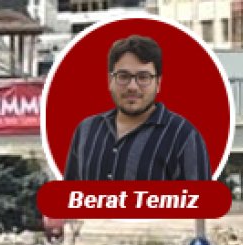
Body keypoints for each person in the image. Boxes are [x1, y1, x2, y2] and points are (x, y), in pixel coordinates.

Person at [63, 35, 210, 182]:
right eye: (123, 76)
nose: (132, 86)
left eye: (143, 77)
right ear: (110, 80)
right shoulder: (86, 130)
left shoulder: (183, 136)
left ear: (158, 83)